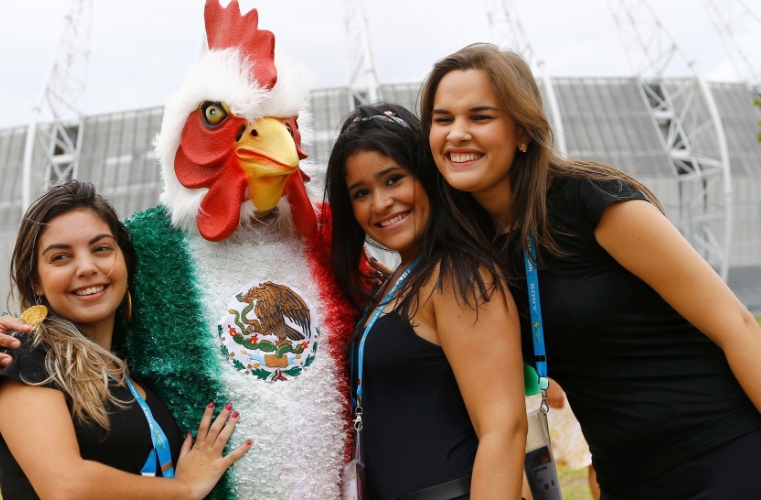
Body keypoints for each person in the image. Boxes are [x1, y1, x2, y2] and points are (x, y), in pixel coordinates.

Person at [419, 42, 761, 498]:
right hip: (626, 478)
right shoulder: (472, 257)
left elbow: (736, 325)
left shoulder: (590, 198)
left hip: (725, 454)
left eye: (479, 117)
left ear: (522, 132)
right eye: (443, 119)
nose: (457, 133)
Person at [0, 180, 250, 499]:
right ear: (36, 280)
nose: (87, 267)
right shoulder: (23, 354)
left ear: (124, 260)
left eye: (101, 249)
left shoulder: (132, 361)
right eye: (61, 257)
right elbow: (65, 487)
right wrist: (184, 488)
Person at [324, 102, 526, 499]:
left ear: (427, 176)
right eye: (361, 193)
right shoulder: (403, 279)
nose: (380, 203)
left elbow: (503, 430)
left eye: (394, 179)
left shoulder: (458, 274)